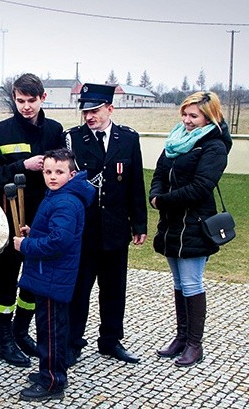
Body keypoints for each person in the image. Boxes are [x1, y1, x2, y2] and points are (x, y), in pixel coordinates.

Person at [0, 73, 64, 367]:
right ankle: (5, 340)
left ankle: (21, 331)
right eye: (20, 101)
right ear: (13, 99)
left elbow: (63, 172)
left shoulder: (55, 130)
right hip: (8, 219)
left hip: (43, 219)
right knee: (5, 277)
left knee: (35, 278)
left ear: (42, 98)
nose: (26, 106)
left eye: (31, 100)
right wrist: (22, 165)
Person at [65, 83, 148, 365]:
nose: (89, 116)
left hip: (115, 228)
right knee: (79, 289)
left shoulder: (128, 139)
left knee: (114, 289)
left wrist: (139, 224)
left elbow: (136, 183)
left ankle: (111, 340)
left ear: (110, 109)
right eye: (85, 111)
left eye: (96, 111)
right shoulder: (73, 139)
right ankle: (72, 341)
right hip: (85, 229)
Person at [149, 91, 232, 367]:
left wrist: (163, 200)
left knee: (192, 282)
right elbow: (160, 172)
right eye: (184, 114)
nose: (187, 120)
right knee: (178, 283)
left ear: (209, 117)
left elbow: (200, 187)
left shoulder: (214, 146)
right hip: (172, 223)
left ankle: (195, 345)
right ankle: (181, 338)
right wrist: (155, 194)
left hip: (194, 223)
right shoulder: (176, 140)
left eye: (193, 116)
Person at [13, 148, 95, 402]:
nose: (52, 176)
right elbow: (53, 232)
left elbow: (59, 242)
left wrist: (25, 245)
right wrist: (33, 232)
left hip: (52, 276)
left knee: (51, 331)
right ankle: (50, 371)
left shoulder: (65, 202)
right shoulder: (58, 195)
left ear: (72, 174)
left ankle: (52, 382)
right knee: (51, 327)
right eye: (48, 171)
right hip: (49, 275)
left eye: (59, 172)